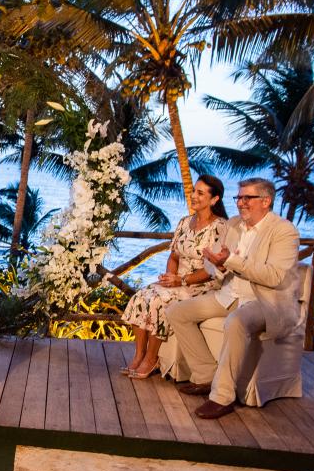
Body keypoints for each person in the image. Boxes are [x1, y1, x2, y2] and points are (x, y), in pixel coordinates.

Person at [167, 178, 301, 419]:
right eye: (238, 197)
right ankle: (206, 375)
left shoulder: (283, 231)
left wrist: (230, 261)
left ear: (266, 201)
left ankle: (222, 397)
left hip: (264, 301)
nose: (240, 203)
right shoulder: (234, 224)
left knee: (236, 322)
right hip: (228, 294)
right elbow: (211, 263)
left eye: (247, 198)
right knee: (177, 311)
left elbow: (274, 276)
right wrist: (218, 265)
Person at [121, 175, 228, 379]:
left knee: (160, 301)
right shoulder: (185, 222)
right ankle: (139, 355)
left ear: (214, 199)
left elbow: (212, 270)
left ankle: (152, 358)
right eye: (194, 191)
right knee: (141, 297)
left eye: (200, 193)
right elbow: (174, 255)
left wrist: (182, 280)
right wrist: (170, 276)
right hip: (178, 281)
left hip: (203, 284)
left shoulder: (220, 227)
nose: (193, 196)